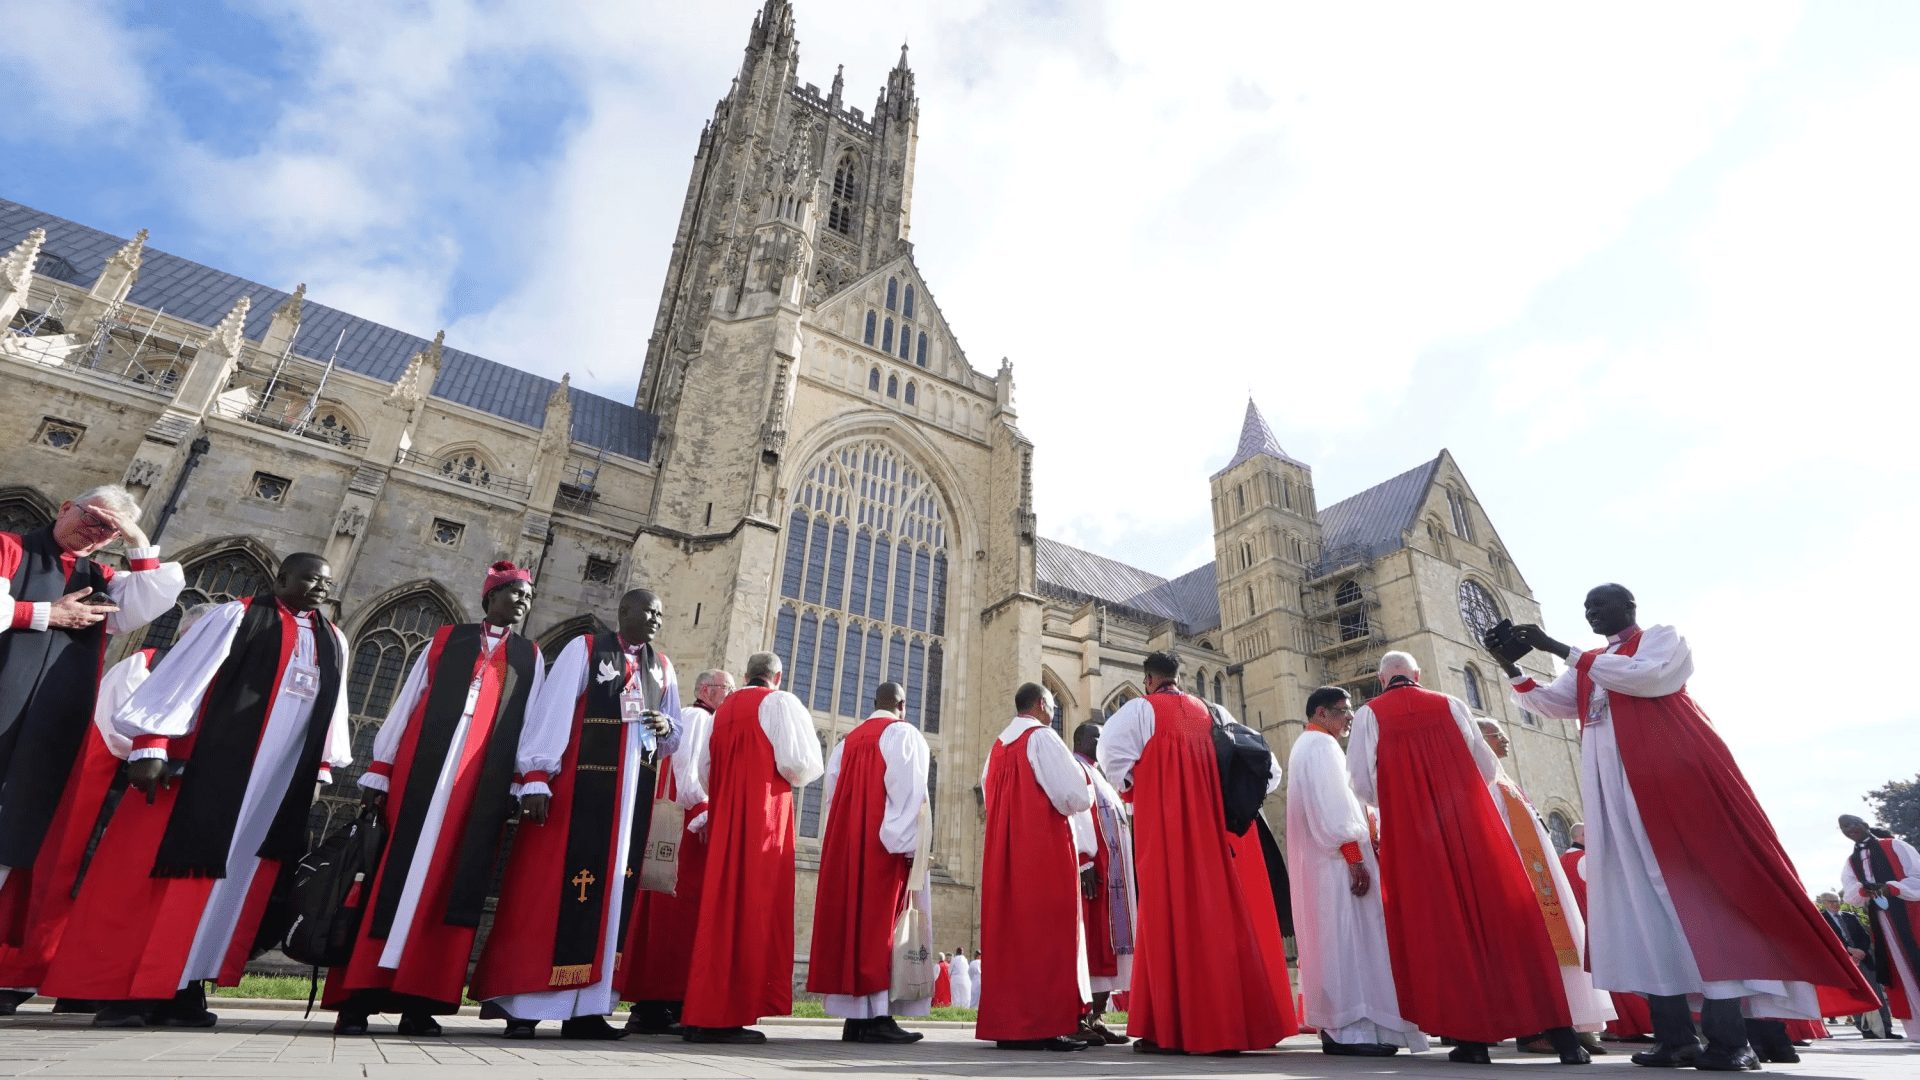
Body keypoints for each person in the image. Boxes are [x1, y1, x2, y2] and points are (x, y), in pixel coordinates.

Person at [1498, 586, 1877, 1070]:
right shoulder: (1590, 663)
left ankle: (1730, 1041)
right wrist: (1510, 666)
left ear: (1629, 608)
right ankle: (1676, 1039)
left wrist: (1558, 649)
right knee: (1646, 912)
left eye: (1601, 606)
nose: (1593, 614)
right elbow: (1552, 704)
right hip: (1616, 799)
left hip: (1669, 780)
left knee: (1701, 902)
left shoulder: (1659, 639)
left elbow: (1648, 678)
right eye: (1586, 609)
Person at [41, 553, 351, 1028]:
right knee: (162, 881)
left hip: (272, 786)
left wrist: (321, 768)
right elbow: (183, 677)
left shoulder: (334, 641)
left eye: (326, 581)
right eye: (310, 577)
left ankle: (184, 985)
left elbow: (332, 711)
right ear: (281, 578)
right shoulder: (236, 616)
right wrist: (151, 744)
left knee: (229, 888)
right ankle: (123, 992)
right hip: (206, 770)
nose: (319, 587)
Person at [326, 562, 544, 1036]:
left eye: (527, 597)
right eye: (514, 594)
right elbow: (406, 701)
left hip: (477, 785)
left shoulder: (530, 656)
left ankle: (418, 1002)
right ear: (490, 598)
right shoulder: (446, 641)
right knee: (389, 875)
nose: (522, 602)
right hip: (415, 775)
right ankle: (357, 999)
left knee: (449, 881)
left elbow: (528, 725)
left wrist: (520, 782)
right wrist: (379, 770)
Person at [1348, 651, 1587, 1065]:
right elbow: (1488, 769)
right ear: (1417, 674)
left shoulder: (1369, 715)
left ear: (1382, 679)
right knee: (1510, 919)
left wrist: (1401, 795)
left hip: (1414, 835)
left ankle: (1473, 1043)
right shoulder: (1452, 703)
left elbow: (1361, 784)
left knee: (1441, 927)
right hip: (1472, 825)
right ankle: (1565, 1041)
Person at [467, 589, 681, 1039]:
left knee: (611, 903)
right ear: (623, 612)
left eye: (661, 613)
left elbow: (672, 733)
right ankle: (521, 1005)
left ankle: (587, 1010)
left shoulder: (661, 667)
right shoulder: (583, 649)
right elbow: (553, 710)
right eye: (649, 610)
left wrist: (666, 727)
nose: (657, 618)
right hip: (575, 794)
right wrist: (537, 777)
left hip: (629, 805)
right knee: (544, 893)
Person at [0, 484, 184, 997]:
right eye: (89, 517)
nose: (94, 530)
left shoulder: (102, 578)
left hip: (48, 724)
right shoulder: (9, 548)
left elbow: (152, 598)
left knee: (12, 835)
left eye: (107, 528)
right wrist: (46, 614)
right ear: (64, 507)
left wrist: (137, 537)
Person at [0, 603, 210, 1014]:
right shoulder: (145, 664)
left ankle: (82, 982)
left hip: (164, 798)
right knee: (70, 878)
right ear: (186, 634)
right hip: (110, 787)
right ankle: (22, 977)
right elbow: (115, 729)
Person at [1099, 651, 1292, 1055]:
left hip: (1164, 831)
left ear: (1149, 679)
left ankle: (1166, 1030)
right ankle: (1225, 1029)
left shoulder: (1139, 711)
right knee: (1218, 918)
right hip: (1213, 835)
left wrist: (1142, 783)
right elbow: (1268, 769)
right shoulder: (1215, 712)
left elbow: (1113, 763)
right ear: (1180, 678)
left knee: (1165, 916)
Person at [678, 651, 823, 1044]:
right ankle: (727, 1016)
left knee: (720, 909)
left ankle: (702, 1010)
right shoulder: (779, 702)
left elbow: (706, 773)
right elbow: (801, 765)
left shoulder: (720, 712)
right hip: (764, 816)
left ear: (746, 675)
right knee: (754, 909)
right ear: (778, 675)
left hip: (726, 818)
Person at [1286, 686, 1426, 1057]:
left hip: (1325, 864)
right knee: (1350, 942)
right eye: (1342, 710)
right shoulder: (1321, 747)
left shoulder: (1308, 744)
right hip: (1337, 865)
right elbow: (1333, 806)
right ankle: (1354, 1033)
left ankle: (1345, 1030)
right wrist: (1354, 855)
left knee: (1336, 943)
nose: (1349, 717)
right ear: (1320, 712)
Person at [1475, 719, 1614, 1054]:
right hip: (1517, 883)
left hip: (1541, 880)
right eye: (1498, 735)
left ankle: (1571, 1024)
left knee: (1557, 953)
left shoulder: (1504, 782)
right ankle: (1535, 1031)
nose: (1506, 740)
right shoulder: (1480, 785)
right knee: (1529, 956)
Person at [808, 682, 930, 1044]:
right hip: (884, 848)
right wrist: (909, 848)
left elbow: (831, 796)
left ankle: (855, 1019)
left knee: (854, 927)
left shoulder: (846, 743)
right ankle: (877, 1017)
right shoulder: (903, 735)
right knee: (881, 928)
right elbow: (909, 793)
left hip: (847, 846)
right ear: (902, 705)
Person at [976, 682, 1093, 1051]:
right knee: (1048, 934)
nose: (1055, 711)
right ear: (1042, 705)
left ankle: (1012, 1027)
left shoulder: (997, 747)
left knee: (1011, 937)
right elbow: (1075, 794)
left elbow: (988, 795)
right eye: (1054, 704)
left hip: (1004, 853)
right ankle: (1045, 1025)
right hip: (1043, 850)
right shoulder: (1042, 738)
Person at [619, 668, 731, 1036]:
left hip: (682, 823)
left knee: (668, 914)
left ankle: (656, 1003)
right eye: (726, 689)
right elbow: (687, 769)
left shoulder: (697, 716)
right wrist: (703, 812)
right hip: (688, 826)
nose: (730, 695)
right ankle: (662, 1002)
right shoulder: (699, 717)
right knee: (678, 916)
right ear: (706, 690)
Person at [1070, 721, 1135, 1046]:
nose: (1101, 741)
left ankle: (1097, 1016)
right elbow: (1076, 815)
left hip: (1115, 881)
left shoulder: (1102, 776)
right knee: (1093, 945)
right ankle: (1078, 1016)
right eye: (1096, 736)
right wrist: (1084, 861)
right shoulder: (1075, 768)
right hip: (1095, 876)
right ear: (1079, 739)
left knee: (1110, 949)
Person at [1560, 822, 1654, 1042]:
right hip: (1600, 924)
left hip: (1576, 929)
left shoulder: (1562, 860)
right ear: (1583, 835)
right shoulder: (1585, 860)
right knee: (1622, 973)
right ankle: (1630, 1027)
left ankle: (1612, 1027)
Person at [1840, 815, 1919, 1042]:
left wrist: (1891, 888)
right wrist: (1865, 891)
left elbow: (1917, 875)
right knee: (1897, 969)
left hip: (1910, 912)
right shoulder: (1851, 860)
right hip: (1882, 920)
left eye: (1853, 823)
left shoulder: (1895, 845)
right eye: (1844, 827)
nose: (1850, 829)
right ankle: (1916, 1029)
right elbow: (1850, 891)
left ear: (1865, 824)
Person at [1817, 888, 1889, 1038]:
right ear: (1824, 903)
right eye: (1831, 902)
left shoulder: (1850, 917)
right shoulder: (1820, 919)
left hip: (1863, 960)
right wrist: (1849, 950)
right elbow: (1827, 940)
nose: (1835, 904)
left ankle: (1885, 1029)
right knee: (1855, 995)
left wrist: (1860, 951)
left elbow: (1864, 936)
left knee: (1876, 993)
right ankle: (1865, 1029)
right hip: (1843, 962)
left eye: (1837, 901)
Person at [949, 946, 971, 1011]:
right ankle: (965, 1010)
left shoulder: (954, 959)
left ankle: (956, 1010)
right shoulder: (965, 959)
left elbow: (950, 971)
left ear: (956, 952)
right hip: (965, 979)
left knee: (956, 996)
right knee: (964, 996)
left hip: (955, 979)